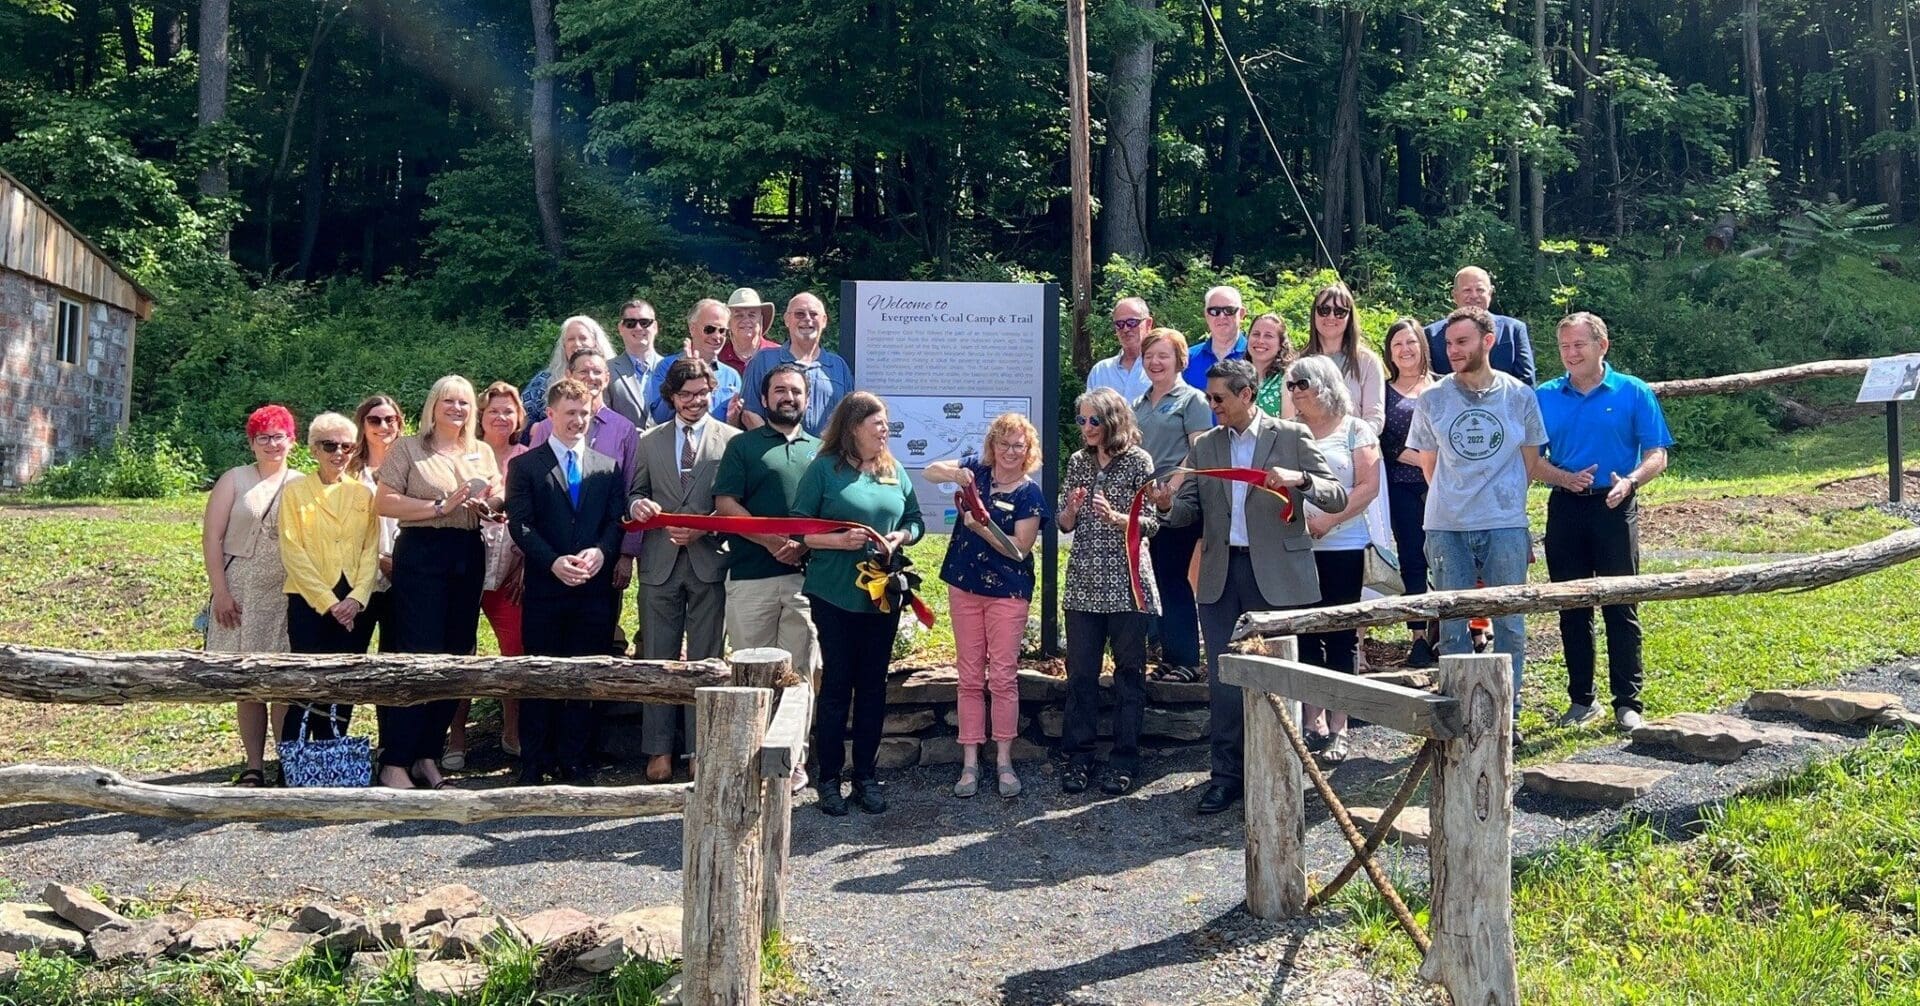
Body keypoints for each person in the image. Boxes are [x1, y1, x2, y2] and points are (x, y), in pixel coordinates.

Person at [1154, 359, 1345, 814]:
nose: (1211, 405)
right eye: (1208, 397)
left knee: (1280, 680)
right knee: (1225, 682)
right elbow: (1188, 512)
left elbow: (1335, 494)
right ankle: (1225, 777)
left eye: (1218, 397)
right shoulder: (1206, 446)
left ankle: (1282, 774)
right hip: (1222, 575)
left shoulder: (1292, 436)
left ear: (1246, 394)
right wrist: (1165, 506)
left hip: (1276, 576)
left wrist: (1301, 479)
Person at [1407, 306, 1548, 741]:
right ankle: (1459, 714)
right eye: (1448, 343)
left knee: (1510, 624)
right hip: (1447, 525)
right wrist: (1459, 499)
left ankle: (1509, 714)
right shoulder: (1432, 399)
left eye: (1462, 342)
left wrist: (1500, 502)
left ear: (1487, 342)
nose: (1452, 351)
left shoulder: (1519, 395)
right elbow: (1428, 466)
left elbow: (1530, 461)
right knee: (1452, 627)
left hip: (1504, 523)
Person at [1535, 312, 1672, 732]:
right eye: (1565, 347)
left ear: (1602, 346)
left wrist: (1630, 482)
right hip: (1566, 507)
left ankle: (1628, 703)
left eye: (1579, 345)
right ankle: (1581, 701)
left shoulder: (1633, 391)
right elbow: (1530, 460)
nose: (1571, 354)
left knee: (1621, 604)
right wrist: (1560, 477)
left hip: (1615, 507)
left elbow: (1657, 454)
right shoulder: (1544, 395)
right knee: (1572, 607)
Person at [792, 391, 923, 816]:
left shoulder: (893, 470)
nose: (886, 431)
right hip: (833, 593)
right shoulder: (824, 471)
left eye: (886, 424)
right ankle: (829, 779)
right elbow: (799, 529)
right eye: (878, 424)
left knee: (872, 689)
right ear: (853, 428)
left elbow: (915, 519)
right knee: (836, 687)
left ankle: (865, 776)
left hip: (881, 595)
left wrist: (901, 537)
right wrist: (837, 541)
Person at [374, 375, 504, 790]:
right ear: (433, 405)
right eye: (449, 401)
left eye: (464, 403)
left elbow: (498, 493)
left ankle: (428, 754)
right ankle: (395, 759)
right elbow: (385, 501)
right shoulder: (408, 448)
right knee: (419, 654)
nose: (457, 409)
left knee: (456, 655)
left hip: (467, 550)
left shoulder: (480, 451)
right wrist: (438, 506)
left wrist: (490, 506)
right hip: (422, 554)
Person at [507, 378, 629, 784]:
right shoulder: (525, 465)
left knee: (583, 675)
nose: (578, 420)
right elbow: (520, 525)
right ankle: (534, 760)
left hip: (592, 589)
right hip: (546, 587)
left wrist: (601, 552)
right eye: (570, 413)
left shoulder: (606, 467)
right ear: (551, 415)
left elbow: (615, 521)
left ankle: (575, 759)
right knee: (540, 675)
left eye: (584, 414)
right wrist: (553, 561)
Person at [628, 357, 740, 782]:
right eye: (685, 394)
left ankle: (699, 749)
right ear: (671, 397)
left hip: (709, 559)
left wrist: (703, 524)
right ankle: (658, 750)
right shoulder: (649, 441)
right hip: (659, 563)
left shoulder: (731, 439)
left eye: (701, 393)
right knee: (657, 659)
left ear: (713, 392)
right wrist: (638, 505)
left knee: (706, 660)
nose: (694, 401)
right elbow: (636, 492)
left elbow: (734, 497)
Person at [924, 413, 1045, 799]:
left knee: (1004, 676)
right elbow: (930, 471)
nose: (1010, 451)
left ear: (1028, 451)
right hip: (965, 586)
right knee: (970, 677)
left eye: (1018, 446)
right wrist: (953, 474)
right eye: (1004, 443)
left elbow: (1020, 548)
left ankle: (1005, 759)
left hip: (1008, 592)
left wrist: (981, 527)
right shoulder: (977, 471)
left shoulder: (1030, 494)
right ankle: (970, 761)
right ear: (992, 445)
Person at [1058, 389, 1159, 797]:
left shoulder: (1139, 462)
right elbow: (1064, 524)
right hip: (1084, 583)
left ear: (1112, 421)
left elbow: (1152, 522)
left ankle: (1124, 760)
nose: (1085, 429)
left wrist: (1117, 518)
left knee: (1129, 675)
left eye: (1093, 421)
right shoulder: (1078, 462)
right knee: (1081, 675)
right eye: (1081, 421)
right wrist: (1072, 509)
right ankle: (1078, 758)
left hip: (1125, 583)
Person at [1284, 357, 1382, 764]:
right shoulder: (1288, 432)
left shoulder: (1355, 430)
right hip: (1297, 548)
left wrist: (1329, 519)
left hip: (1343, 545)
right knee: (1304, 634)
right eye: (1290, 385)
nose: (1295, 391)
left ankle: (1339, 728)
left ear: (1324, 383)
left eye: (1301, 383)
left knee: (1341, 636)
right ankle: (1313, 722)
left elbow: (1368, 486)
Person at [202, 404, 305, 787]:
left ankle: (287, 762)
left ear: (292, 441)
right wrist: (220, 592)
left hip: (285, 589)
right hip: (241, 586)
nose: (272, 444)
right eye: (264, 437)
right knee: (248, 683)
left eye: (279, 436)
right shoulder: (234, 479)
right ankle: (253, 764)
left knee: (281, 680)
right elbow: (212, 537)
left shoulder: (301, 482)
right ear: (252, 442)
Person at [277, 412, 379, 744]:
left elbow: (370, 549)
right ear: (313, 449)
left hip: (354, 601)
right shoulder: (294, 492)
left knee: (344, 686)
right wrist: (329, 603)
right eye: (329, 445)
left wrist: (357, 597)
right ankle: (293, 766)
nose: (338, 453)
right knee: (306, 684)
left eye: (346, 447)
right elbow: (292, 550)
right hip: (310, 601)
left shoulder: (364, 494)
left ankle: (331, 759)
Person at [1132, 329, 1210, 683]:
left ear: (1180, 359)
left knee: (1173, 578)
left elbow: (1198, 450)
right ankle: (1168, 656)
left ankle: (1188, 662)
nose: (1155, 362)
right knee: (1156, 578)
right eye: (1149, 355)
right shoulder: (1137, 403)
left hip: (1180, 502)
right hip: (1146, 505)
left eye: (1163, 355)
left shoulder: (1192, 400)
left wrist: (1172, 489)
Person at [472, 381, 529, 761]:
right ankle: (456, 737)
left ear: (519, 417)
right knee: (461, 652)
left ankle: (512, 729)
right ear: (481, 416)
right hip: (467, 567)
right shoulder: (465, 455)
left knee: (515, 650)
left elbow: (535, 515)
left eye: (508, 410)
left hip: (511, 569)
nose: (501, 417)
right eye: (493, 410)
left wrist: (526, 561)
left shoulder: (527, 457)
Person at [1379, 318, 1438, 667]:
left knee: (1446, 558)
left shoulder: (1443, 387)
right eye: (1398, 343)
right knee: (1413, 560)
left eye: (1411, 342)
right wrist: (1421, 461)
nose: (1405, 349)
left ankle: (1447, 631)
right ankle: (1417, 636)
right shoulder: (1384, 392)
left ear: (1422, 347)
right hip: (1402, 485)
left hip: (1443, 488)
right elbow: (1383, 440)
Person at [742, 292, 854, 436]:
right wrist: (780, 448)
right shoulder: (763, 361)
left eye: (813, 314)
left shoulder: (839, 366)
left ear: (824, 320)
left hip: (827, 456)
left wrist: (828, 451)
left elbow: (849, 417)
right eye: (799, 314)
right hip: (775, 455)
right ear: (787, 320)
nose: (807, 319)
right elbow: (750, 414)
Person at [347, 395, 403, 651]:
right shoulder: (349, 470)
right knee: (351, 649)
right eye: (375, 420)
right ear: (363, 424)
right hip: (359, 574)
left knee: (397, 654)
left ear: (399, 423)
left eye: (390, 419)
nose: (383, 426)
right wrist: (377, 558)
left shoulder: (410, 465)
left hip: (402, 571)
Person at [1424, 266, 1535, 385]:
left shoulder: (1513, 330)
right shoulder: (1431, 335)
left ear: (1490, 293)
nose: (1474, 295)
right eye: (1467, 290)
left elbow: (1526, 382)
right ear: (1455, 295)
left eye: (1480, 290)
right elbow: (1428, 382)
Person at [1303, 282, 1386, 432]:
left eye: (1340, 311)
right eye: (1324, 310)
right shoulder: (1300, 362)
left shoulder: (1368, 362)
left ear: (1350, 317)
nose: (1331, 316)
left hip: (1355, 449)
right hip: (1309, 449)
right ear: (1314, 314)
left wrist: (1353, 441)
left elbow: (1375, 418)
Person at [647, 300, 745, 426]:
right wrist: (683, 374)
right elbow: (660, 417)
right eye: (709, 329)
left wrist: (734, 419)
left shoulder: (732, 376)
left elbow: (734, 427)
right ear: (692, 328)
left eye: (722, 331)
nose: (717, 336)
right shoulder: (667, 367)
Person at [523, 315, 619, 431]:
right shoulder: (544, 381)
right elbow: (521, 418)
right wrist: (535, 429)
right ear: (564, 345)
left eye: (583, 338)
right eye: (571, 339)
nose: (577, 344)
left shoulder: (614, 378)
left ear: (595, 343)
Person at [607, 299, 666, 431]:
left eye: (645, 322)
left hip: (666, 449)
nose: (638, 328)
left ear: (655, 327)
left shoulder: (672, 368)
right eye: (630, 323)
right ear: (621, 328)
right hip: (622, 449)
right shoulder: (606, 370)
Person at [1182, 285, 1248, 389]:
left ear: (1242, 313)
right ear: (1206, 315)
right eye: (1214, 311)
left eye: (1229, 310)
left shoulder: (1256, 355)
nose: (1221, 316)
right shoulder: (1187, 358)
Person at [1088, 297, 1153, 401]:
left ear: (1148, 324)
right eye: (1120, 324)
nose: (1126, 329)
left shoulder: (1160, 367)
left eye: (1132, 322)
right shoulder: (1101, 371)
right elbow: (1088, 413)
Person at [719, 287, 781, 374]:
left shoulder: (778, 355)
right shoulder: (718, 357)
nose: (746, 320)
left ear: (761, 319)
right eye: (739, 315)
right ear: (728, 322)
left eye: (752, 315)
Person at [1247, 312, 1295, 417]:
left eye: (1268, 336)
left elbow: (1289, 426)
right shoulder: (1236, 377)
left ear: (1280, 345)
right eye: (1256, 334)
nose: (1260, 340)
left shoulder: (1288, 379)